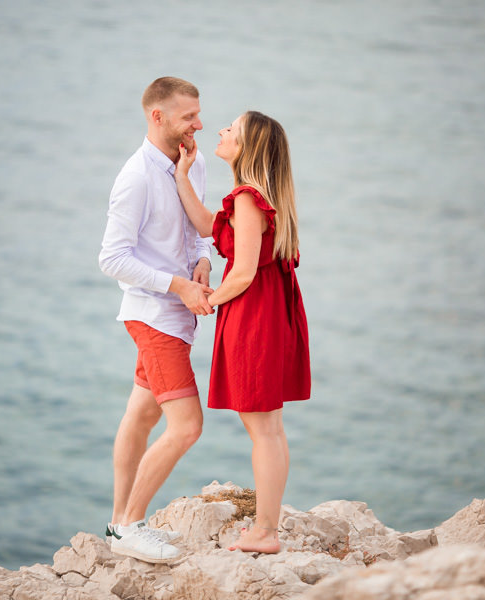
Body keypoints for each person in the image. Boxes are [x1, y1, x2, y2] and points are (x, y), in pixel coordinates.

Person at [174, 110, 311, 553]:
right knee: (271, 428)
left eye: (231, 128)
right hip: (268, 312)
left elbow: (244, 272)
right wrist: (183, 176)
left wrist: (207, 299)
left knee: (263, 430)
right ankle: (268, 527)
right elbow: (207, 225)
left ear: (247, 146)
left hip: (254, 317)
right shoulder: (253, 198)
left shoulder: (248, 199)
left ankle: (266, 532)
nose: (221, 130)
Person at [98, 77, 214, 563]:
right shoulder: (136, 177)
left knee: (142, 415)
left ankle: (117, 522)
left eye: (199, 114)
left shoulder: (193, 162)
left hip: (176, 316)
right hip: (155, 317)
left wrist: (203, 260)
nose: (199, 124)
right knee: (187, 427)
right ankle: (129, 527)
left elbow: (197, 229)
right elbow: (112, 258)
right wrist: (179, 286)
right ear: (157, 116)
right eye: (189, 116)